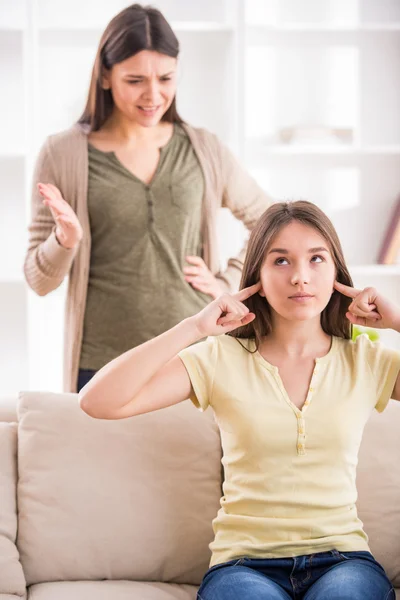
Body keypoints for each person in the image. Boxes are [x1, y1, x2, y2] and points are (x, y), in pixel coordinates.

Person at [79, 200, 400, 600]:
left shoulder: (366, 360)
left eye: (316, 258)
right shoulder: (219, 358)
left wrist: (398, 320)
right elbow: (97, 401)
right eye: (281, 261)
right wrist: (194, 326)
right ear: (258, 279)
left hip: (344, 561)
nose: (301, 277)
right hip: (244, 566)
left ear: (337, 270)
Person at [24, 3, 271, 393]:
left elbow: (270, 222)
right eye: (135, 80)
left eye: (166, 78)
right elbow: (38, 280)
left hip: (195, 360)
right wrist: (64, 241)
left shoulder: (203, 149)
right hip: (102, 364)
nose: (153, 95)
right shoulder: (63, 154)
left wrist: (225, 280)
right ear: (105, 77)